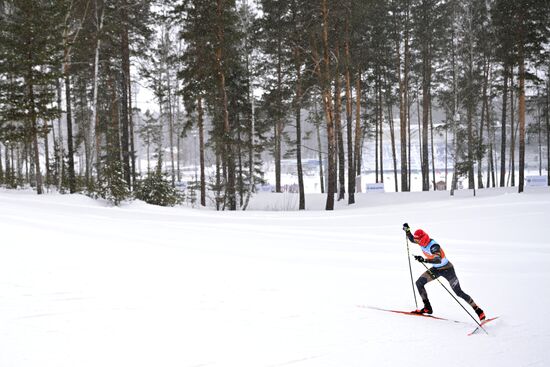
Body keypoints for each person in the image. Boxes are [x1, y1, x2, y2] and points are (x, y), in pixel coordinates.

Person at [402, 223, 486, 321]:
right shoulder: (421, 241)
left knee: (458, 292)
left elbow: (438, 260)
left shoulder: (434, 246)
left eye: (418, 240)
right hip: (436, 269)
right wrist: (407, 230)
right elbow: (412, 239)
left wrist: (424, 260)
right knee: (419, 283)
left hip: (448, 269)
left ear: (422, 239)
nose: (416, 242)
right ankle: (427, 308)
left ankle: (478, 310)